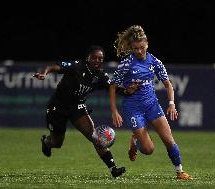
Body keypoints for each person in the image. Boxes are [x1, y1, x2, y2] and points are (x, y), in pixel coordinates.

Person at [32, 45, 139, 178]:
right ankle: (46, 142)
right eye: (94, 57)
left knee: (95, 137)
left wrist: (127, 91)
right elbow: (54, 66)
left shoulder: (100, 75)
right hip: (58, 107)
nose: (97, 61)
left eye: (100, 58)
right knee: (57, 143)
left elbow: (114, 89)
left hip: (77, 107)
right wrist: (44, 73)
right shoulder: (77, 66)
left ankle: (113, 169)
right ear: (87, 58)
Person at [109, 25, 193, 180]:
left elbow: (168, 85)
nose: (139, 51)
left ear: (147, 43)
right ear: (132, 48)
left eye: (142, 47)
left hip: (152, 105)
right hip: (133, 108)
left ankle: (179, 172)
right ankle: (135, 139)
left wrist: (172, 103)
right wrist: (115, 110)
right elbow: (113, 87)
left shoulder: (155, 62)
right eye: (135, 49)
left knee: (168, 140)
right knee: (148, 150)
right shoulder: (126, 63)